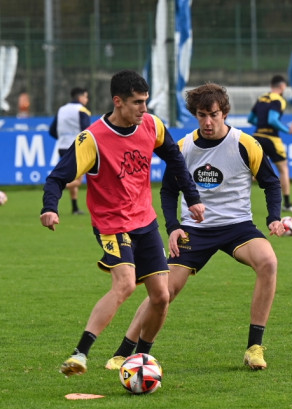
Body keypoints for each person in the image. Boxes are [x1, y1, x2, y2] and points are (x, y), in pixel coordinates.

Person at [106, 82, 284, 371]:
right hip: (194, 230)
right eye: (202, 115)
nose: (208, 121)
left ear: (224, 112)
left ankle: (254, 347)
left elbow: (271, 183)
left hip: (237, 226)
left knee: (268, 262)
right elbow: (167, 191)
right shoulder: (183, 147)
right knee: (163, 292)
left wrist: (273, 217)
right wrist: (174, 226)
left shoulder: (246, 144)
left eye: (213, 114)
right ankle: (126, 351)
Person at [40, 70, 205, 377]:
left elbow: (175, 159)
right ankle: (79, 355)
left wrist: (192, 197)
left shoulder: (152, 125)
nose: (144, 109)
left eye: (145, 101)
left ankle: (139, 359)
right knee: (126, 284)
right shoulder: (93, 139)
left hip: (145, 221)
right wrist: (50, 208)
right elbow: (57, 177)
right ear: (118, 102)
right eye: (137, 103)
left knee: (161, 296)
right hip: (111, 224)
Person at [248, 75, 292, 212]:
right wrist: (287, 130)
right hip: (271, 138)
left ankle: (236, 200)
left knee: (251, 172)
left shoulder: (261, 98)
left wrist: (261, 124)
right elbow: (272, 120)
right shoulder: (279, 100)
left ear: (271, 86)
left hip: (257, 137)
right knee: (283, 169)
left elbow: (251, 119)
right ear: (282, 86)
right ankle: (287, 204)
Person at [49, 87, 91, 215]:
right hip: (77, 147)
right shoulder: (82, 110)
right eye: (86, 97)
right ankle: (52, 187)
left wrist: (62, 138)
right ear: (80, 98)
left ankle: (75, 207)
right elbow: (87, 131)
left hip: (62, 147)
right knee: (77, 181)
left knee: (73, 176)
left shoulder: (61, 109)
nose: (87, 100)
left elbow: (52, 130)